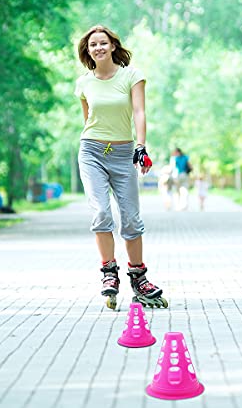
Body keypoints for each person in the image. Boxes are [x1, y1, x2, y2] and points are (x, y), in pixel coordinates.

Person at [75, 24, 167, 310]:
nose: (98, 48)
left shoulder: (131, 76)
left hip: (124, 151)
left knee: (130, 219)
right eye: (93, 45)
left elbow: (139, 111)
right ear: (88, 51)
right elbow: (88, 119)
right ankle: (109, 273)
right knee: (101, 212)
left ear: (113, 46)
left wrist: (141, 145)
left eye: (103, 43)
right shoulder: (84, 83)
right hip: (91, 151)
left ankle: (139, 279)